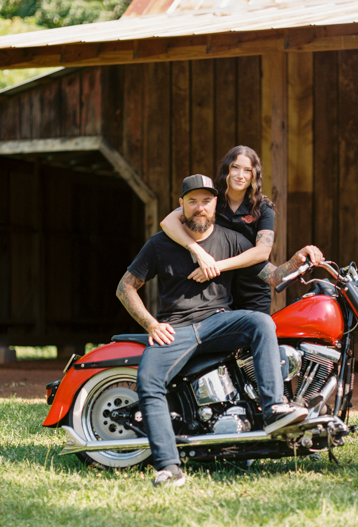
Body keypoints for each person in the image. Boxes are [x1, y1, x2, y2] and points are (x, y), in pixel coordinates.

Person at [116, 174, 323, 488]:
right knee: (148, 379)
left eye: (206, 201)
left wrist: (297, 259)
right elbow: (125, 288)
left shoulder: (231, 239)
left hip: (218, 323)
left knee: (260, 322)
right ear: (181, 206)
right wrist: (151, 324)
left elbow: (273, 275)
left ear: (215, 204)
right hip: (176, 328)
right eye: (192, 201)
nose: (200, 207)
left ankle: (273, 409)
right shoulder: (159, 244)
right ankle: (169, 468)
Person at [160, 146, 274, 314]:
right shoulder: (211, 201)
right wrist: (199, 253)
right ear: (226, 168)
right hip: (216, 291)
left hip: (252, 292)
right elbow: (167, 222)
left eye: (247, 170)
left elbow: (262, 252)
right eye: (235, 167)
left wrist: (217, 266)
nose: (240, 175)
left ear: (253, 175)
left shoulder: (263, 207)